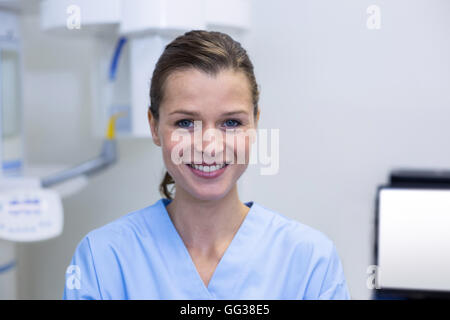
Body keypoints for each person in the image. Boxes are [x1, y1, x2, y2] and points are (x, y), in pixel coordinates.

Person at [63, 30, 351, 300]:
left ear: (255, 123)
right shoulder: (104, 259)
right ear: (154, 126)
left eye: (231, 122)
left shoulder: (311, 262)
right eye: (185, 122)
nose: (209, 146)